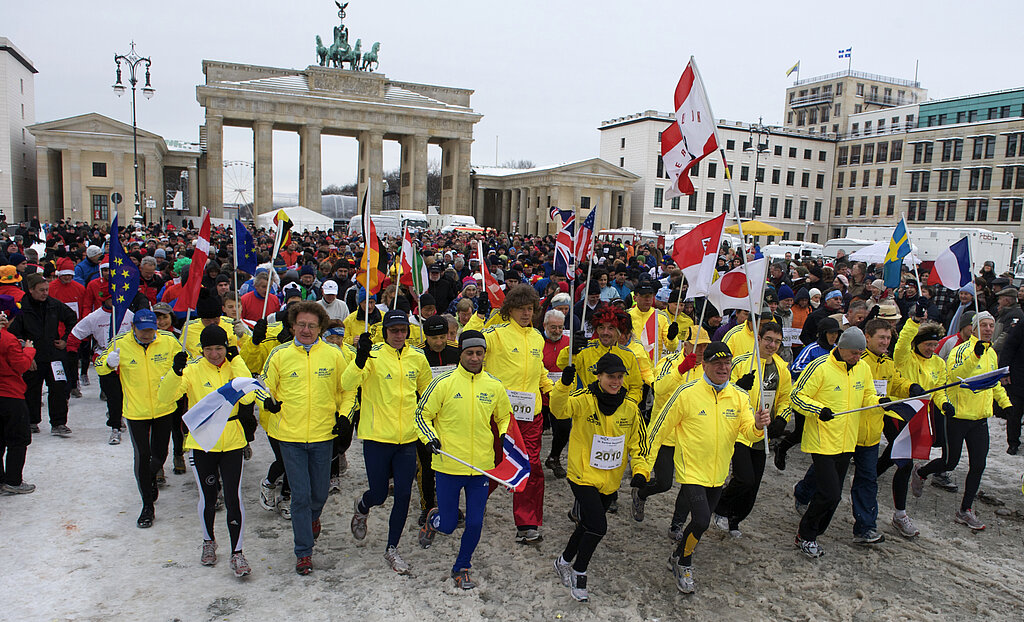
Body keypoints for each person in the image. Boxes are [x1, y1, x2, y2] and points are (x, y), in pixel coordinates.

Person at [643, 342, 769, 593]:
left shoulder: (739, 397)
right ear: (705, 364)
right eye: (717, 363)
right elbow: (658, 429)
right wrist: (644, 465)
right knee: (701, 520)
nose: (723, 368)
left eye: (727, 363)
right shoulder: (686, 393)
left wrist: (757, 425)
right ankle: (684, 563)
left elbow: (749, 433)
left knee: (702, 523)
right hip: (691, 470)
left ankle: (678, 555)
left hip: (718, 473)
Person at [415, 330, 514, 590]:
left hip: (480, 467)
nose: (474, 357)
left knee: (474, 523)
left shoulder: (493, 384)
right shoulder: (444, 383)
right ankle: (433, 520)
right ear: (460, 353)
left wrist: (504, 434)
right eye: (469, 352)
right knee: (448, 525)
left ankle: (462, 567)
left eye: (479, 353)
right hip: (448, 465)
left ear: (484, 354)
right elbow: (422, 415)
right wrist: (430, 439)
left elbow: (505, 416)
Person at [261, 301, 354, 575]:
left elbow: (347, 390)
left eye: (311, 325)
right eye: (301, 324)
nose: (306, 329)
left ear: (320, 328)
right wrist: (268, 401)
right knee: (300, 496)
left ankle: (312, 520)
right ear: (292, 326)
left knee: (319, 493)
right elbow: (263, 386)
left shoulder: (334, 355)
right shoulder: (279, 355)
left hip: (323, 435)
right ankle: (303, 552)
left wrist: (345, 416)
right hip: (289, 436)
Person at [158, 325, 256, 578]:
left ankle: (237, 552)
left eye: (220, 348)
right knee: (208, 496)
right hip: (202, 442)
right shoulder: (191, 370)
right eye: (209, 349)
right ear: (202, 350)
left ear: (227, 348)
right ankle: (208, 541)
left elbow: (247, 398)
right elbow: (165, 398)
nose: (214, 354)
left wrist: (238, 361)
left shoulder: (233, 367)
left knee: (234, 498)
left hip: (232, 440)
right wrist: (174, 372)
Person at [550, 353, 648, 602]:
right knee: (598, 526)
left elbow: (638, 445)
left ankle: (562, 561)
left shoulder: (630, 408)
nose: (615, 382)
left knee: (587, 525)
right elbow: (559, 411)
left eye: (619, 377)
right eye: (610, 377)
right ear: (598, 376)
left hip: (610, 479)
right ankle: (579, 571)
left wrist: (640, 471)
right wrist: (563, 385)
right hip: (582, 475)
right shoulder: (583, 400)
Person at [344, 309, 432, 574]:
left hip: (407, 439)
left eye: (403, 330)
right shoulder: (372, 355)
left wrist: (430, 427)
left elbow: (429, 392)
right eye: (393, 331)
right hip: (376, 437)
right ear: (385, 332)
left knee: (404, 495)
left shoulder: (417, 357)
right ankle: (363, 506)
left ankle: (392, 548)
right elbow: (347, 383)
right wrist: (360, 359)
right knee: (380, 494)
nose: (398, 335)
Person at [913, 312, 1011, 531]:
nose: (987, 329)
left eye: (991, 325)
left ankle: (965, 510)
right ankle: (921, 472)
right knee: (950, 462)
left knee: (979, 465)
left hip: (979, 419)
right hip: (957, 416)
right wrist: (974, 356)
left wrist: (1005, 404)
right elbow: (957, 375)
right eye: (983, 325)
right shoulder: (961, 350)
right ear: (973, 328)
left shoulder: (991, 353)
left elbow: (993, 382)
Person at [790, 327, 881, 558]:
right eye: (853, 353)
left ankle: (813, 532)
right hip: (822, 440)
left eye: (860, 353)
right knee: (830, 494)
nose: (857, 357)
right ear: (840, 348)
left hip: (847, 441)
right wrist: (819, 410)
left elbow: (867, 395)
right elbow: (797, 396)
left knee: (834, 494)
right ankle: (806, 535)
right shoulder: (820, 366)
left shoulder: (863, 368)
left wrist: (880, 401)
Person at [95, 310, 180, 528]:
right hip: (136, 411)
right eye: (143, 330)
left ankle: (149, 478)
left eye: (151, 330)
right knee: (142, 455)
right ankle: (147, 506)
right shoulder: (120, 343)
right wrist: (108, 364)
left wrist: (180, 367)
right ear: (134, 327)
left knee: (160, 455)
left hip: (164, 408)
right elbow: (100, 366)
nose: (147, 334)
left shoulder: (168, 341)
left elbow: (187, 364)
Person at [482, 284, 553, 544]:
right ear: (509, 309)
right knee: (496, 464)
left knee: (532, 467)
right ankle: (475, 501)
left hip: (531, 416)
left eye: (530, 309)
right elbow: (470, 344)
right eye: (521, 309)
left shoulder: (537, 337)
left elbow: (540, 370)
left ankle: (527, 524)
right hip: (501, 415)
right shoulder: (496, 334)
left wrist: (552, 389)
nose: (526, 314)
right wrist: (480, 317)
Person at [712, 322, 792, 538]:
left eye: (777, 341)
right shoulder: (740, 363)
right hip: (740, 430)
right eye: (768, 339)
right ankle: (720, 506)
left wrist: (782, 419)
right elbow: (720, 392)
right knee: (744, 478)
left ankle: (735, 519)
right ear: (758, 338)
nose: (772, 345)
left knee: (753, 486)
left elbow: (786, 398)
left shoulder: (782, 368)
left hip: (763, 432)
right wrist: (738, 385)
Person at [630, 327, 709, 537]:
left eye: (705, 345)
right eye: (697, 344)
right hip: (666, 434)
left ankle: (677, 524)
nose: (701, 349)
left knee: (689, 484)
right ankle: (642, 493)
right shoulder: (669, 362)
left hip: (692, 436)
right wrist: (681, 370)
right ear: (686, 345)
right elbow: (658, 388)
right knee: (664, 482)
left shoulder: (707, 368)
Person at [876, 317, 948, 538]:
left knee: (894, 454)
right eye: (928, 344)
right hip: (897, 412)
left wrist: (944, 404)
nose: (931, 348)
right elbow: (904, 340)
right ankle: (900, 515)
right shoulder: (904, 358)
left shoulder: (938, 363)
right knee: (905, 463)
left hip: (919, 417)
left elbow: (939, 389)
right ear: (918, 343)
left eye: (934, 345)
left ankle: (868, 475)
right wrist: (913, 322)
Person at [9, 273, 78, 436]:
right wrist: (25, 354)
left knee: (59, 388)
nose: (45, 293)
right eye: (41, 290)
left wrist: (65, 339)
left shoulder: (54, 305)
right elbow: (13, 335)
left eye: (47, 290)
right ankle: (32, 421)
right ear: (31, 290)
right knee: (31, 390)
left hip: (55, 355)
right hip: (33, 357)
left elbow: (72, 318)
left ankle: (59, 423)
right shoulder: (21, 309)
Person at [66, 289, 133, 444]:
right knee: (112, 393)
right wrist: (71, 352)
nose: (114, 301)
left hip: (126, 359)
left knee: (125, 392)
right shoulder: (95, 317)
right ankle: (115, 426)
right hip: (104, 357)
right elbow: (76, 334)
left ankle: (118, 415)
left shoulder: (128, 314)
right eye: (111, 299)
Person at [774, 317, 841, 470]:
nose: (833, 336)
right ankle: (782, 448)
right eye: (830, 333)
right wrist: (817, 373)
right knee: (800, 432)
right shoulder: (811, 349)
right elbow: (795, 369)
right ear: (822, 333)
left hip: (827, 399)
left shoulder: (837, 350)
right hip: (806, 398)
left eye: (836, 333)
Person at [415, 314, 460, 525]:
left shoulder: (456, 352)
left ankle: (449, 505)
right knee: (426, 465)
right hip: (425, 418)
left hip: (451, 417)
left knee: (450, 464)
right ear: (426, 337)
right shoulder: (418, 354)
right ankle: (427, 506)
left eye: (443, 336)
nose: (440, 342)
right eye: (434, 338)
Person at [0, 296, 36, 494]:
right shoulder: (7, 339)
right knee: (18, 439)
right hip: (11, 394)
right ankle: (13, 480)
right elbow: (21, 365)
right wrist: (29, 351)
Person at [541, 309, 570, 478]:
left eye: (560, 327)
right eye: (553, 327)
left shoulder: (568, 342)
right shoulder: (538, 342)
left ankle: (554, 457)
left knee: (564, 429)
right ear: (545, 325)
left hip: (561, 396)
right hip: (541, 396)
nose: (557, 331)